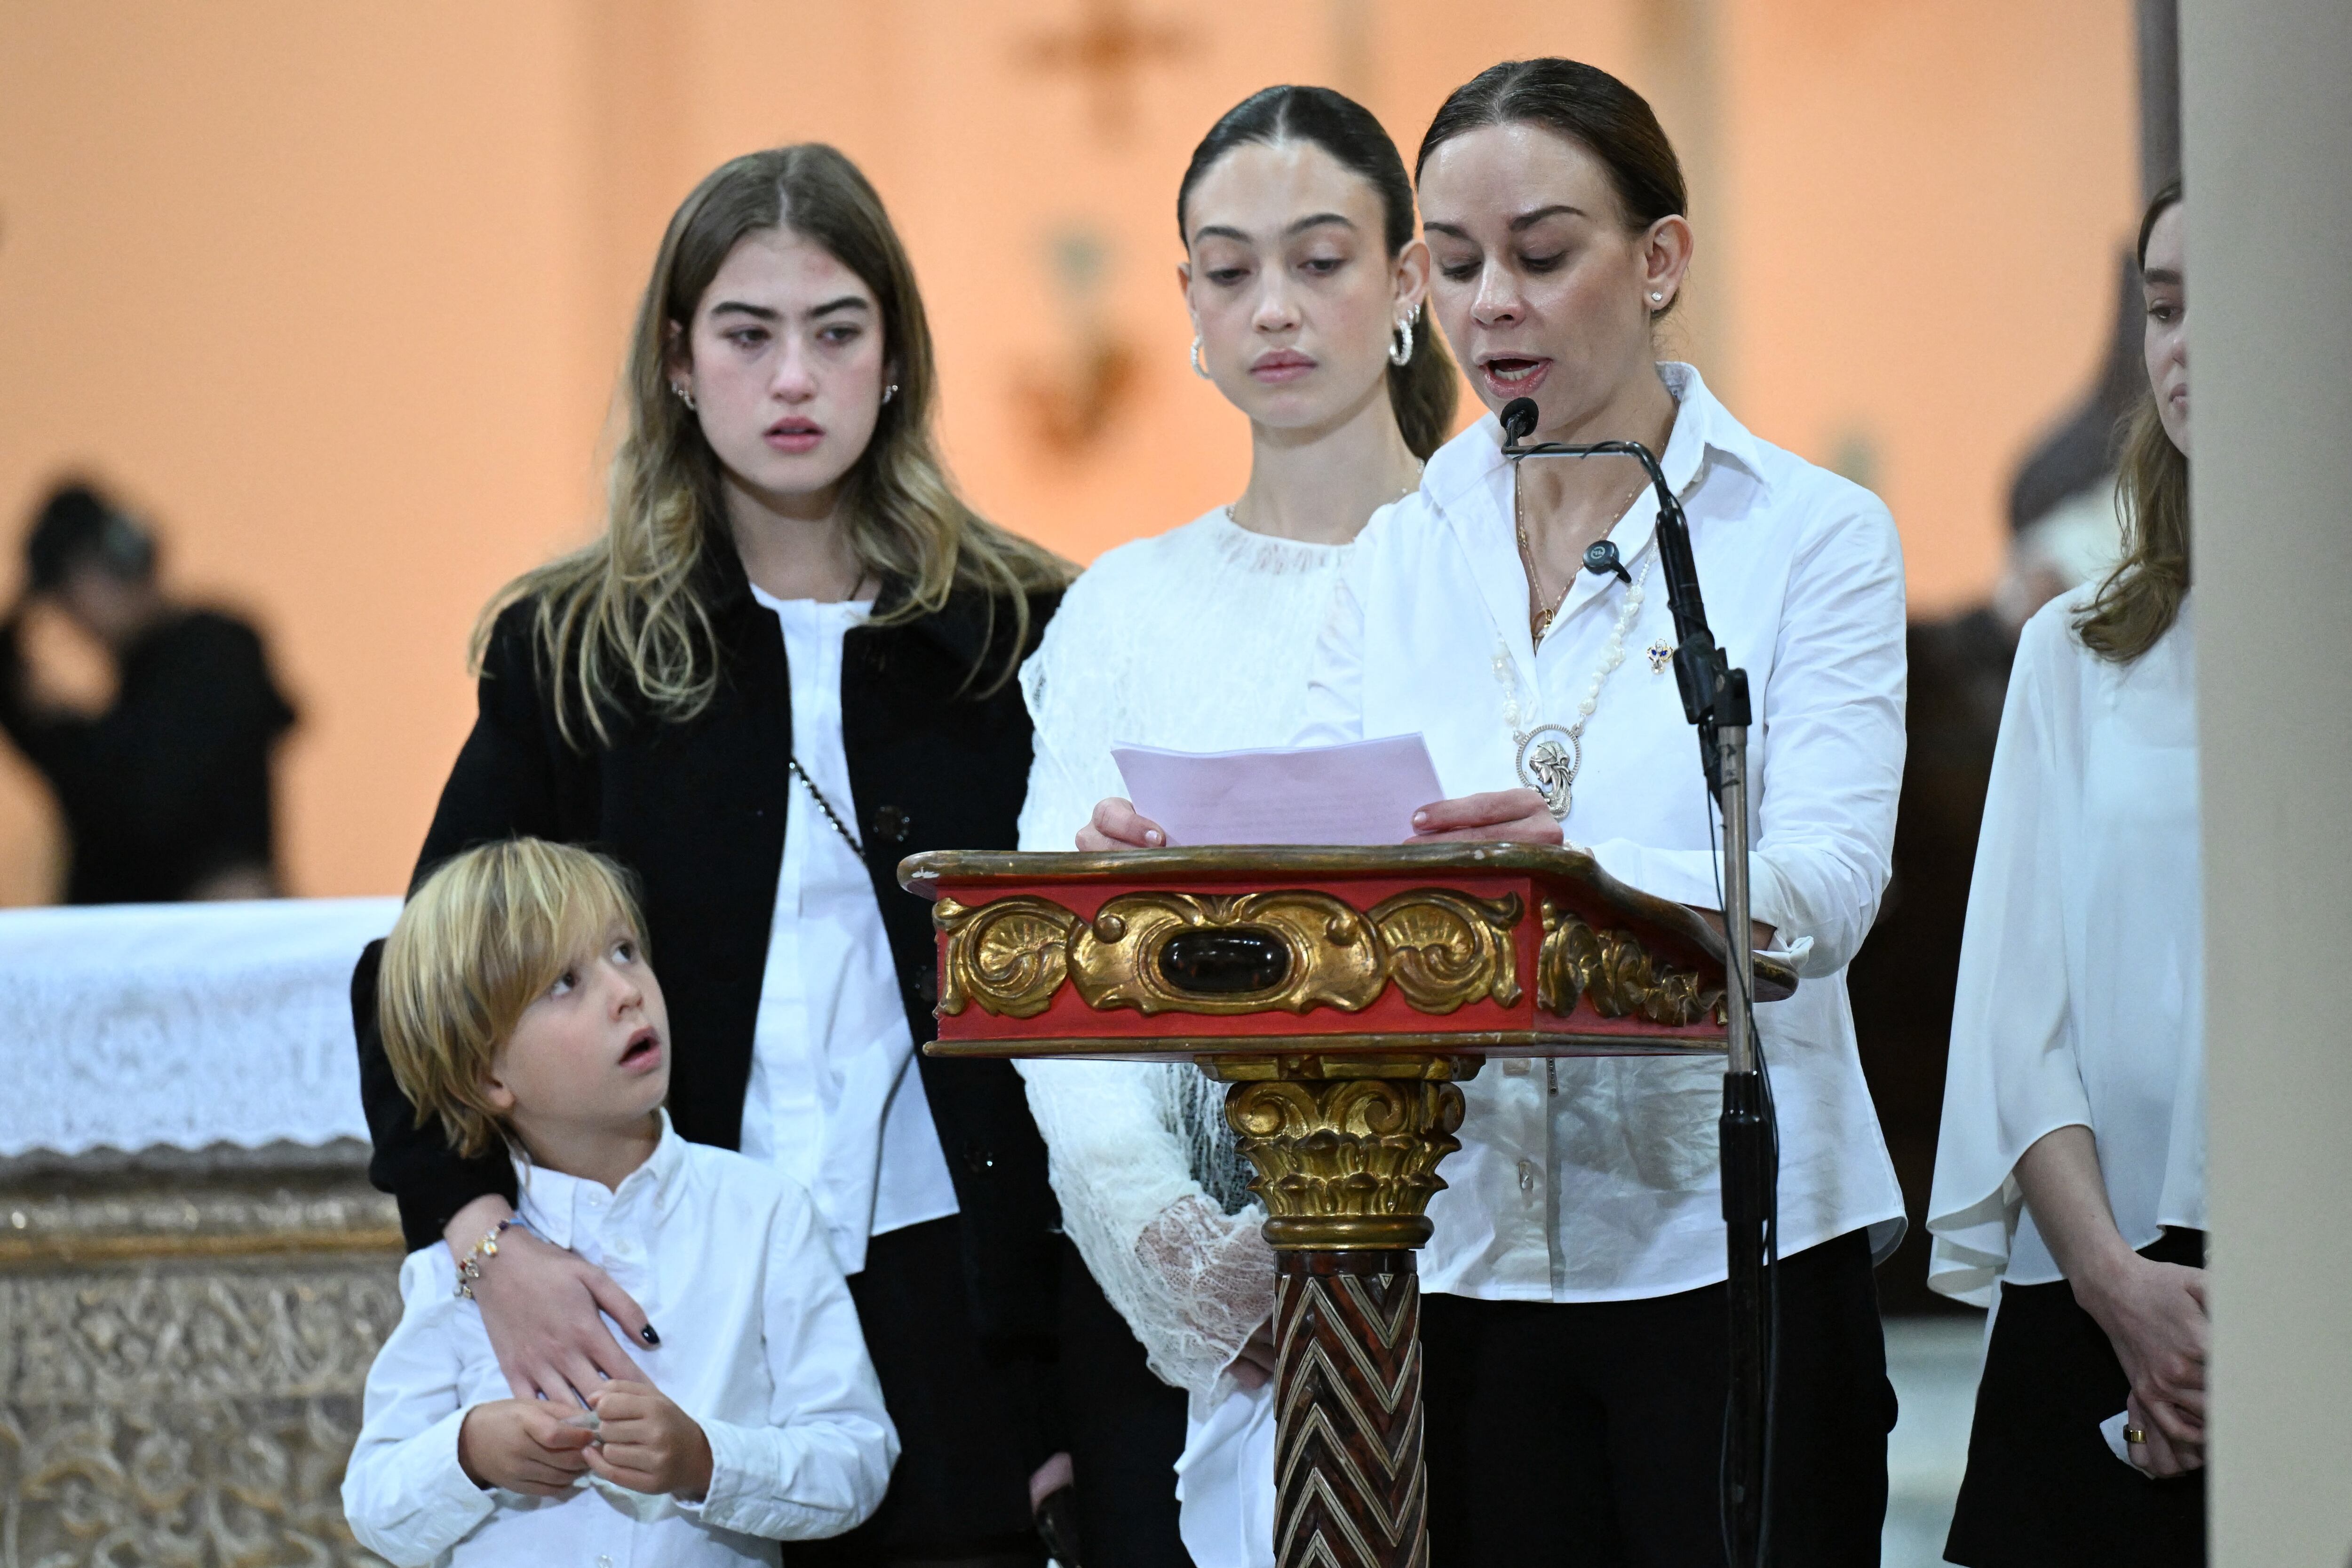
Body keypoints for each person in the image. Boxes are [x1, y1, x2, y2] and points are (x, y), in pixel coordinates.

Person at [1088, 55, 1908, 1564]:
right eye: (1453, 267)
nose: (1491, 310)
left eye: (1540, 256)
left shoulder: (1805, 535)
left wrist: (1584, 877)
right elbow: (1339, 875)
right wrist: (1191, 882)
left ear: (1657, 259)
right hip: (1454, 1256)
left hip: (1728, 1252)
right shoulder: (1405, 552)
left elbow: (1827, 886)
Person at [351, 145, 1083, 1568]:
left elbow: (1087, 1009)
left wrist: (1061, 1372)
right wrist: (487, 1249)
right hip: (672, 1289)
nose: (794, 378)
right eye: (749, 335)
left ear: (893, 358)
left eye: (836, 330)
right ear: (681, 361)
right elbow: (416, 982)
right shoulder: (574, 650)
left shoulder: (1014, 629)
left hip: (957, 1292)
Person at [1017, 84, 1455, 1568]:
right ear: (1187, 299)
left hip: (1494, 1269)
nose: (1272, 305)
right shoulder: (1126, 610)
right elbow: (1057, 976)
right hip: (1222, 1312)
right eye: (1227, 266)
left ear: (1405, 279)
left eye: (1320, 259)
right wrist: (1174, 1249)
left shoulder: (1503, 567)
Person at [344, 838, 897, 1565]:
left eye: (626, 950)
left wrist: (708, 1461)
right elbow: (375, 1508)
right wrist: (469, 1451)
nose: (626, 990)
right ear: (489, 1077)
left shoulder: (763, 1214)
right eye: (566, 981)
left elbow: (855, 1457)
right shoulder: (459, 1269)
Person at [1931, 180, 2204, 1565]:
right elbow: (2013, 1021)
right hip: (2104, 1273)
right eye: (2162, 308)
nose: (2183, 344)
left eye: (2217, 302)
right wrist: (2115, 1284)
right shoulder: (2079, 651)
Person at [0, 480, 295, 902]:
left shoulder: (213, 651)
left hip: (214, 929)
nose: (73, 614)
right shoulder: (142, 686)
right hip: (156, 936)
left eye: (72, 586)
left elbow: (158, 808)